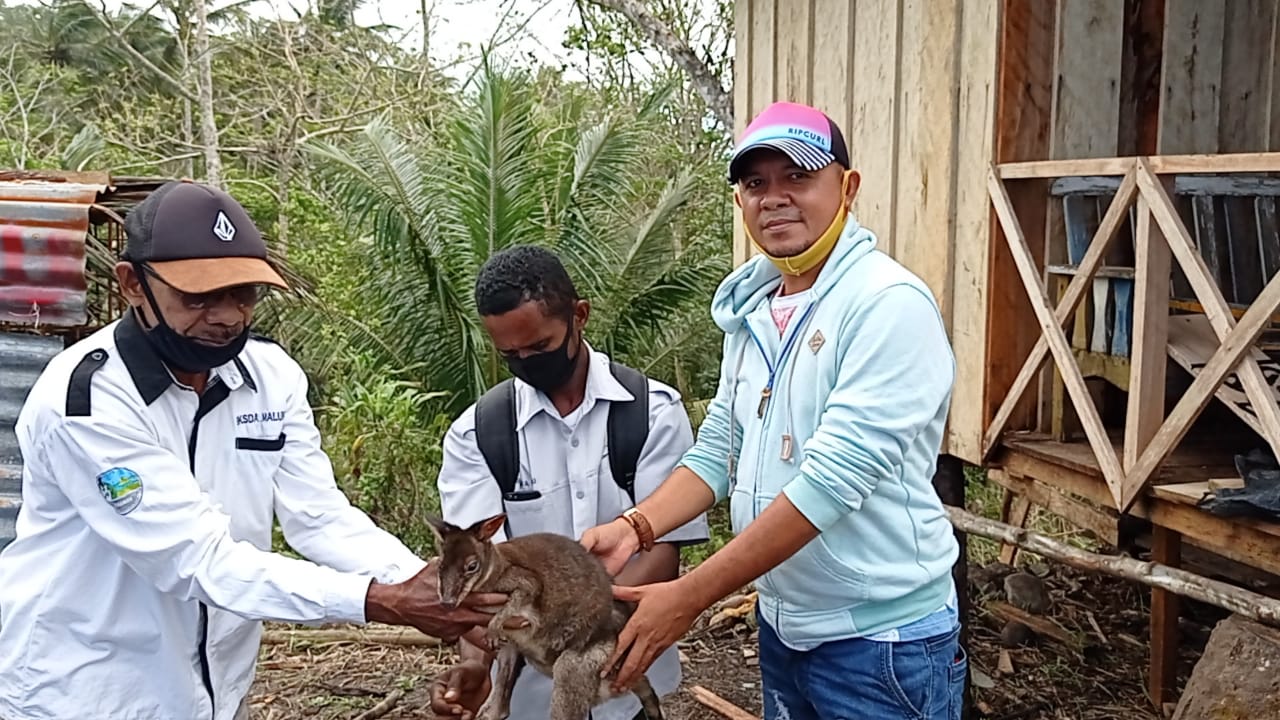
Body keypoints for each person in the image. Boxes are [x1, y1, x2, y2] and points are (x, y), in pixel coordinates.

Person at [0, 180, 510, 720]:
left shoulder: (267, 377)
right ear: (131, 284)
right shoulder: (87, 400)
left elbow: (318, 516)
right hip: (86, 691)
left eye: (243, 293)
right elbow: (197, 561)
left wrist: (428, 585)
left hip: (215, 694)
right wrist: (380, 601)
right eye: (198, 296)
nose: (227, 316)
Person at [579, 101, 968, 720]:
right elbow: (718, 450)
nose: (775, 197)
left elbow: (828, 487)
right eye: (756, 183)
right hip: (786, 631)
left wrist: (688, 596)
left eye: (798, 177)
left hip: (882, 645)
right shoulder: (753, 312)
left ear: (848, 186)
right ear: (740, 202)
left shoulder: (887, 305)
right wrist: (635, 527)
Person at [427, 245, 709, 720]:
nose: (526, 362)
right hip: (528, 697)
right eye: (509, 353)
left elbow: (662, 551)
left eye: (539, 347)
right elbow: (474, 568)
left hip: (625, 672)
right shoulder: (479, 433)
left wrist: (581, 634)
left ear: (579, 317)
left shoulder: (651, 413)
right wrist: (476, 663)